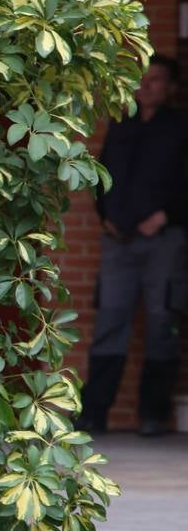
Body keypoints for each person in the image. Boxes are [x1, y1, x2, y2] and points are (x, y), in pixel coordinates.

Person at [77, 54, 188, 437]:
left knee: (161, 323)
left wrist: (166, 215)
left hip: (164, 241)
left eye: (157, 80)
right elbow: (100, 173)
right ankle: (94, 414)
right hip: (117, 241)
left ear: (171, 87)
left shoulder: (180, 128)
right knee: (110, 322)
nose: (148, 85)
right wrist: (104, 213)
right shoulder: (121, 124)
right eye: (145, 78)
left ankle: (153, 416)